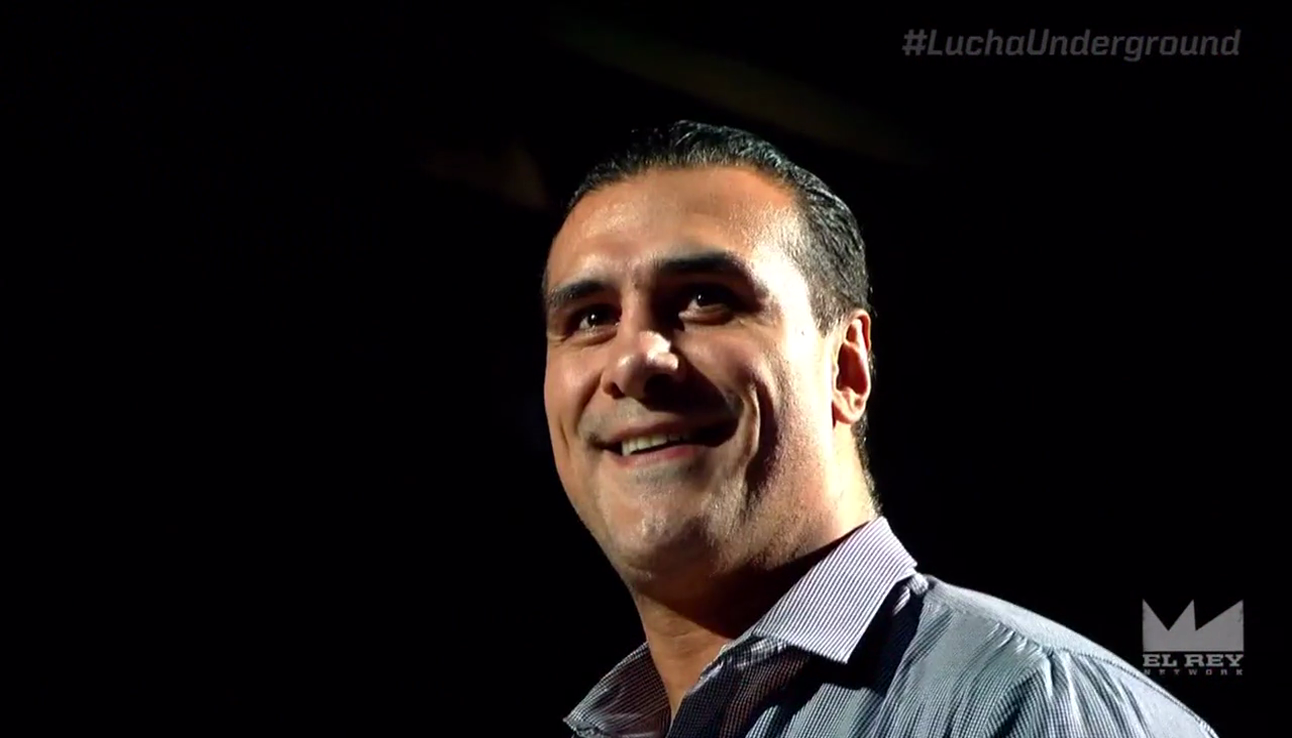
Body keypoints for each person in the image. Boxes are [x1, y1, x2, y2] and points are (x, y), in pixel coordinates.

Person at [541, 120, 1217, 738]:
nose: (633, 361)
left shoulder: (1033, 703)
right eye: (592, 317)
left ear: (847, 367)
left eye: (704, 298)